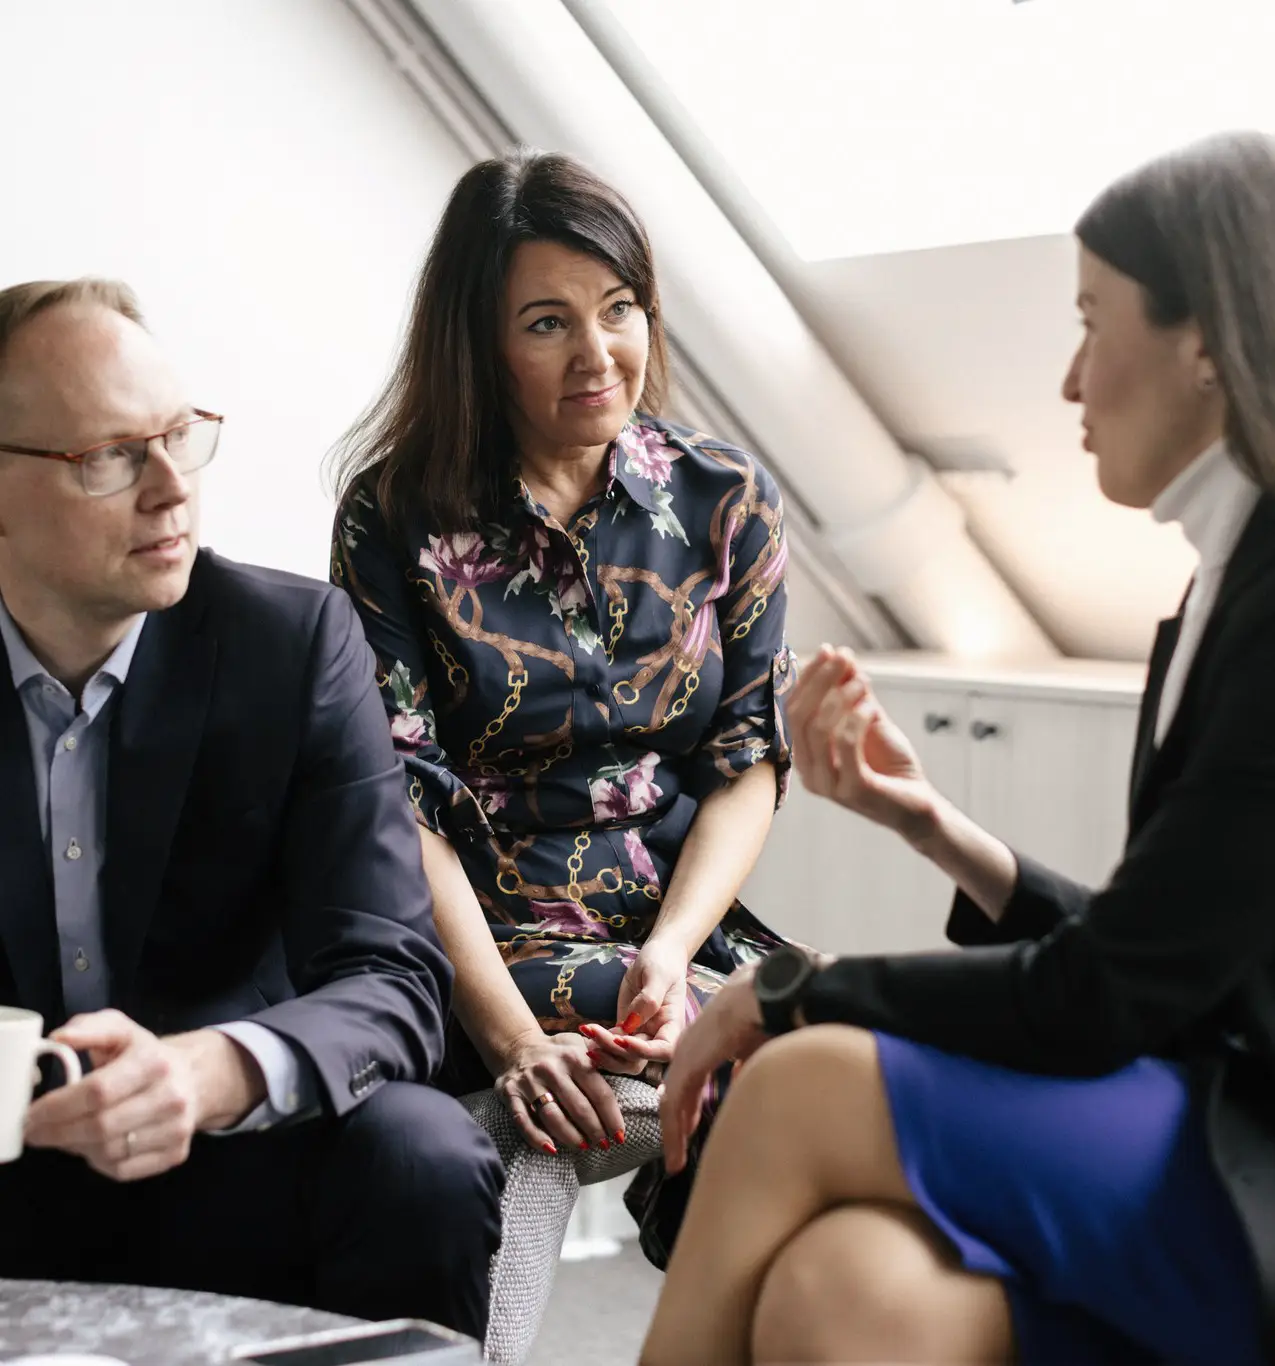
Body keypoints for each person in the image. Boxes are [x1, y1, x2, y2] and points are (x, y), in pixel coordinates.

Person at [641, 130, 1275, 1366]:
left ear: (1203, 341)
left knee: (796, 1079)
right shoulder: (1218, 589)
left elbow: (1116, 996)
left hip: (1248, 1150)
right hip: (1202, 1105)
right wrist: (927, 822)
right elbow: (1172, 950)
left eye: (1094, 321)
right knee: (849, 1289)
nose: (1070, 380)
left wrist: (788, 988)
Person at [0, 278, 502, 1339]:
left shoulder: (292, 645)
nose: (172, 490)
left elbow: (393, 977)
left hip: (235, 1152)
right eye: (110, 457)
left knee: (423, 1153)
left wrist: (207, 1072)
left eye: (180, 436)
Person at [330, 148, 795, 1263]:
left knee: (835, 1046)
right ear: (480, 345)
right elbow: (404, 805)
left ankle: (702, 1258)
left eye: (620, 308)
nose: (600, 354)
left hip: (675, 923)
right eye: (547, 322)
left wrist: (676, 953)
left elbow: (745, 762)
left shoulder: (727, 499)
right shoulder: (393, 518)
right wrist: (505, 1034)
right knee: (762, 1067)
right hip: (490, 932)